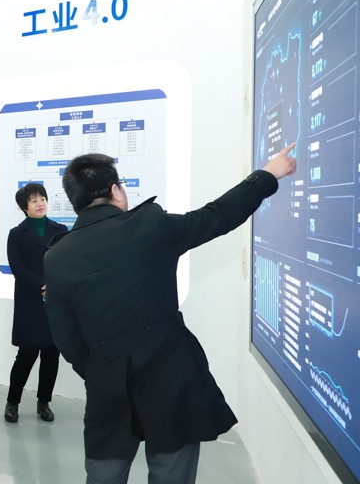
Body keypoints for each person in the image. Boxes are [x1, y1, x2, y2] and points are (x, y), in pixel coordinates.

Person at [43, 144, 297, 484]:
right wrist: (268, 174)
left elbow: (65, 336)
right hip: (170, 375)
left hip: (106, 382)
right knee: (172, 475)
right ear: (115, 191)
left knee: (104, 475)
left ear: (75, 201)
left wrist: (97, 368)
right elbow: (218, 215)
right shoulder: (150, 225)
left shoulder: (57, 257)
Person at [4, 183, 68, 424]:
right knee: (26, 354)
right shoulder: (16, 234)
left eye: (43, 199)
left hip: (55, 300)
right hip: (30, 300)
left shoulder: (60, 230)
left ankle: (44, 402)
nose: (40, 203)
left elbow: (66, 261)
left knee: (52, 354)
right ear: (24, 207)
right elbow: (17, 267)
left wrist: (54, 284)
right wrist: (42, 285)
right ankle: (13, 402)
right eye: (34, 200)